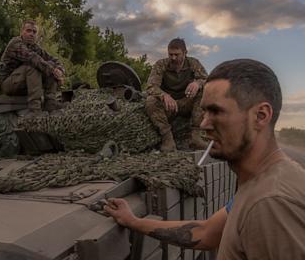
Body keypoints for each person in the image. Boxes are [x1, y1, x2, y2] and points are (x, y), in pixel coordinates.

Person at [105, 59, 305, 259]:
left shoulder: (271, 204)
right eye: (205, 111)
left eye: (216, 111)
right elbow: (207, 232)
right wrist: (133, 222)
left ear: (261, 116)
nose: (203, 124)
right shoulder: (262, 181)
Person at [145, 38, 208, 152]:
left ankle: (196, 137)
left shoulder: (193, 63)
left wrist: (197, 83)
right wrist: (164, 95)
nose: (173, 58)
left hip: (187, 102)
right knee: (150, 101)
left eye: (177, 54)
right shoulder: (161, 64)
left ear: (185, 53)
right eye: (170, 54)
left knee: (205, 92)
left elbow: (207, 79)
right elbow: (151, 86)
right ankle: (168, 139)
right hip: (169, 106)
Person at [0, 20, 65, 115]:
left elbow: (54, 60)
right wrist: (53, 71)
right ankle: (35, 110)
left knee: (50, 64)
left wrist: (60, 71)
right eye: (28, 31)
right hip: (8, 84)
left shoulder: (34, 47)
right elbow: (32, 58)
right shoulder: (15, 43)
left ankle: (50, 105)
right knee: (34, 66)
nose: (31, 34)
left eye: (34, 32)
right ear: (22, 32)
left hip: (25, 84)